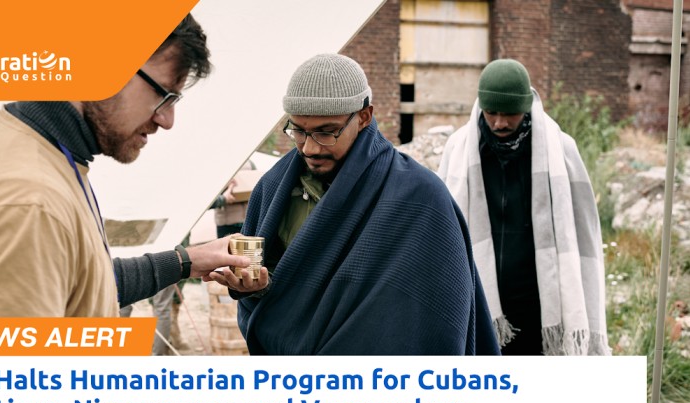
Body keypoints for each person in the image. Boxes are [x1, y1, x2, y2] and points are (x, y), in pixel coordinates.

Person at [0, 14, 249, 403]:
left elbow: (79, 282)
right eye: (164, 95)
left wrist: (185, 261)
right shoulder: (27, 205)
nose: (167, 120)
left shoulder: (41, 149)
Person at [208, 54, 499, 356]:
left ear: (364, 117)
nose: (310, 147)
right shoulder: (273, 190)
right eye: (298, 131)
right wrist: (255, 290)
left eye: (326, 132)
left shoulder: (421, 199)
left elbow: (439, 317)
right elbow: (272, 299)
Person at [438, 59, 610, 355]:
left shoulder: (561, 150)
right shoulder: (458, 150)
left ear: (527, 107)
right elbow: (442, 226)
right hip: (478, 295)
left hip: (539, 302)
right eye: (491, 113)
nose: (500, 123)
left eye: (510, 114)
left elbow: (584, 230)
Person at [209, 159, 256, 238]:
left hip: (245, 221)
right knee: (226, 249)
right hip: (226, 222)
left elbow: (256, 182)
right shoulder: (217, 164)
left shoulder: (249, 164)